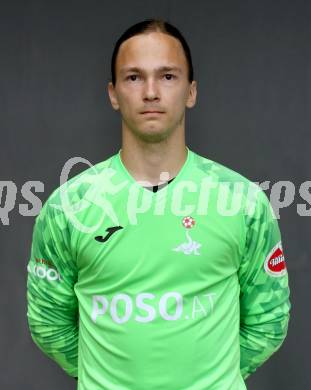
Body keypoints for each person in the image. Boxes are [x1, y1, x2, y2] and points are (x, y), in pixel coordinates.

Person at [27, 19, 290, 390]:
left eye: (168, 76)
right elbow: (49, 323)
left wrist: (213, 376)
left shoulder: (242, 202)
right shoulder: (68, 207)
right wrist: (104, 376)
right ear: (113, 93)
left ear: (191, 91)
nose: (151, 91)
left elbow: (269, 319)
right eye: (134, 77)